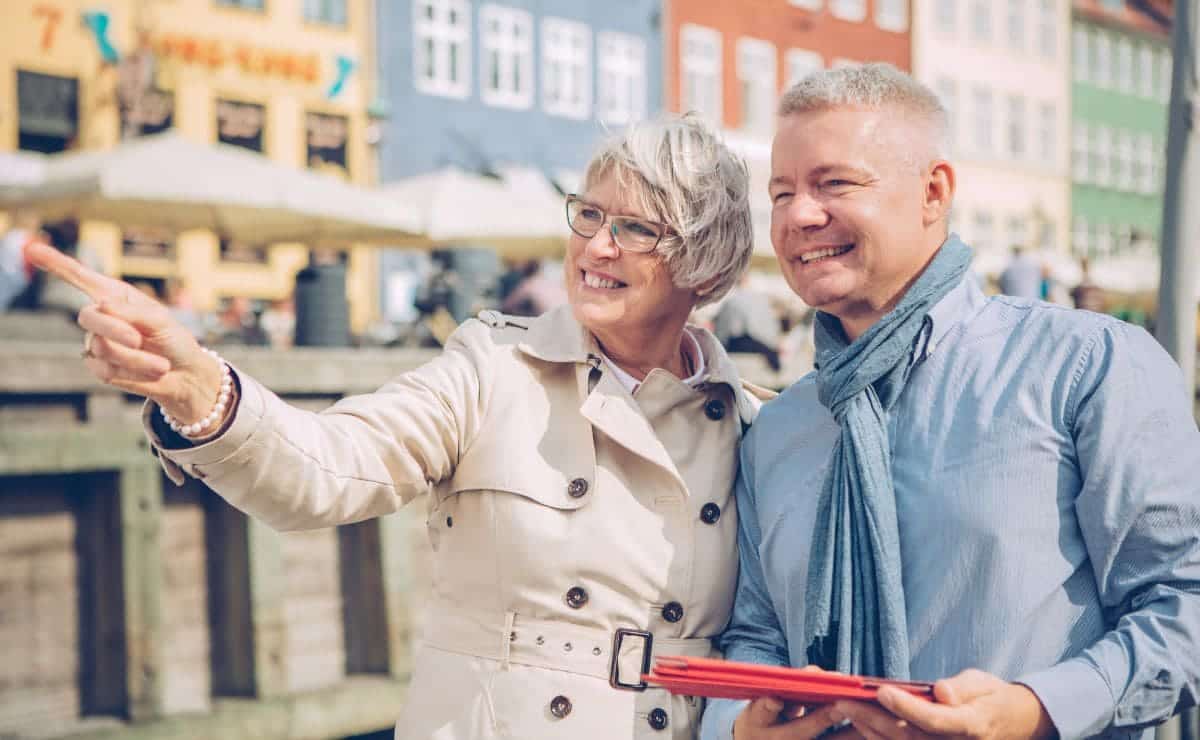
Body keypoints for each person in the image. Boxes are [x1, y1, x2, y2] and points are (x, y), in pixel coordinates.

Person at [30, 114, 773, 740]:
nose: (596, 246)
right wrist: (203, 392)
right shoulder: (494, 367)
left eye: (635, 229)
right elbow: (330, 467)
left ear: (701, 265)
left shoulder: (753, 427)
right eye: (589, 215)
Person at [702, 64, 1200, 740]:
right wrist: (738, 726)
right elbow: (756, 634)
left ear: (932, 192)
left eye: (834, 183)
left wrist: (1035, 709)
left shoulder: (1088, 366)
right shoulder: (779, 430)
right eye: (781, 192)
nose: (798, 216)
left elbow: (1183, 603)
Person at [713, 274, 783, 371]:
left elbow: (723, 332)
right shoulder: (761, 299)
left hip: (739, 342)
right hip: (761, 343)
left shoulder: (732, 300)